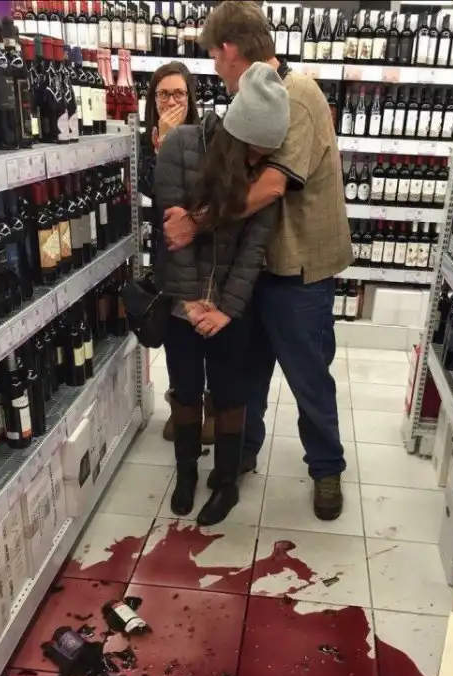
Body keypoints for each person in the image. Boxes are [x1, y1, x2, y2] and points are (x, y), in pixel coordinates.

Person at [163, 1, 353, 522]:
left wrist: (195, 223)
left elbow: (269, 186)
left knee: (307, 375)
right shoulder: (254, 96)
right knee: (249, 374)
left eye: (214, 56)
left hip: (300, 267)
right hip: (255, 267)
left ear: (229, 50)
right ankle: (243, 451)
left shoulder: (298, 94)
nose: (215, 68)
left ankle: (326, 467)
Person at [154, 62, 288, 526]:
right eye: (252, 152)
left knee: (232, 393)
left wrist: (227, 309)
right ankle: (186, 472)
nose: (257, 164)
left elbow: (255, 247)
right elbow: (173, 235)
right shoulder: (178, 146)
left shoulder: (264, 169)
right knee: (186, 389)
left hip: (232, 307)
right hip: (181, 302)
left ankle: (227, 482)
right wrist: (192, 302)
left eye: (265, 156)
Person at [140, 61, 215, 446]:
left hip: (205, 255)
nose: (171, 102)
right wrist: (161, 150)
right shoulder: (144, 143)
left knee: (210, 339)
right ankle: (182, 403)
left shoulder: (208, 138)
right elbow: (152, 194)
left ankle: (212, 407)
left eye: (179, 94)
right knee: (179, 341)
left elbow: (208, 197)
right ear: (153, 100)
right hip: (169, 256)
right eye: (164, 94)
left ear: (191, 98)